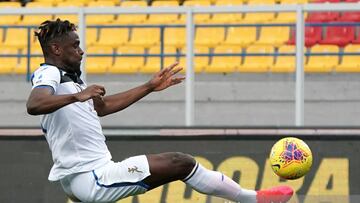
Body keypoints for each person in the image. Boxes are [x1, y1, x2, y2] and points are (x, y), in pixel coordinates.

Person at [26, 19, 293, 203]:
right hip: (90, 177)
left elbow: (103, 108)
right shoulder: (49, 73)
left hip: (87, 175)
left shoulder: (70, 79)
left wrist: (149, 87)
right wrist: (78, 95)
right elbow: (34, 104)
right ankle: (250, 199)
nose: (81, 50)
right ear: (56, 49)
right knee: (180, 162)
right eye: (75, 45)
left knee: (179, 164)